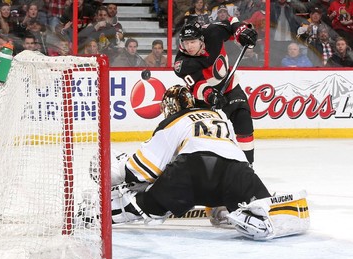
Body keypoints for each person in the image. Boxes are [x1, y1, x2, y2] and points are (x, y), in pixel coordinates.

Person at [105, 85, 310, 241]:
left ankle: (91, 215)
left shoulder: (173, 121)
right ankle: (235, 209)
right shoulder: (218, 116)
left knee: (141, 205)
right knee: (264, 208)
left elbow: (142, 168)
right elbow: (224, 156)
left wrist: (115, 174)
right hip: (238, 170)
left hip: (192, 171)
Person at [173, 21, 258, 166]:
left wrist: (242, 33)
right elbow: (197, 85)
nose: (189, 47)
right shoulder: (182, 64)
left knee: (243, 119)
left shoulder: (213, 32)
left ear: (201, 39)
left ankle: (247, 165)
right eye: (186, 43)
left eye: (192, 42)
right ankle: (200, 165)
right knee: (202, 131)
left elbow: (233, 26)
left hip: (229, 85)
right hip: (204, 97)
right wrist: (210, 95)